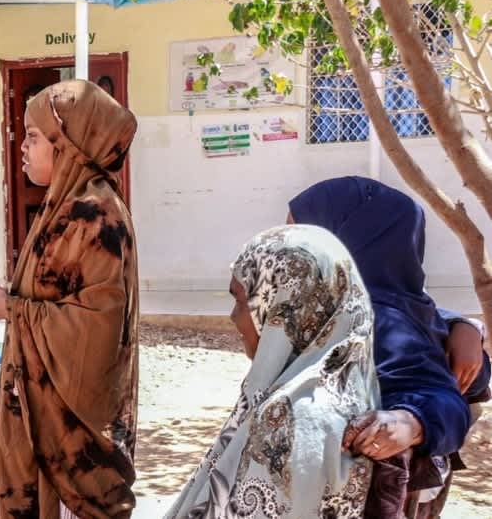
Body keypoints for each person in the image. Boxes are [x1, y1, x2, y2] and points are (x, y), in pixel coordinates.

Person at [0, 80, 139, 519]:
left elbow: (98, 326)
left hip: (69, 447)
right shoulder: (63, 207)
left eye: (32, 136)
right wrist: (11, 302)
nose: (22, 147)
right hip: (39, 431)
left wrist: (15, 310)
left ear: (67, 146)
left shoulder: (94, 214)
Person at [288, 176, 491, 517]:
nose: (285, 249)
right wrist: (464, 325)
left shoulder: (374, 318)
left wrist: (412, 421)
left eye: (298, 235)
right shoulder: (408, 306)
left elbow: (446, 399)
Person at [166, 225, 378, 518]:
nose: (233, 317)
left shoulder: (290, 420)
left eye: (242, 301)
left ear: (282, 308)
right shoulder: (355, 390)